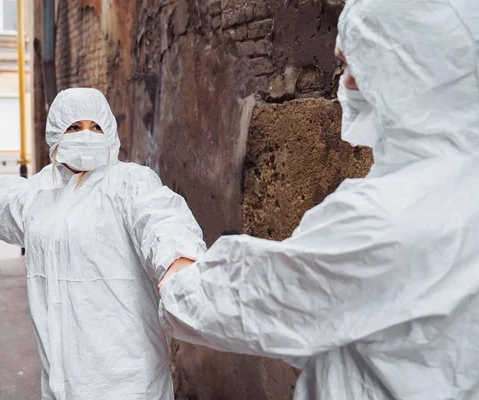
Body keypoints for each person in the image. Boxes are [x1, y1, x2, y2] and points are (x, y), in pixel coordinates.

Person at [158, 0, 479, 399]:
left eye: (352, 67)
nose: (341, 82)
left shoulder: (383, 218)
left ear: (406, 73)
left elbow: (254, 298)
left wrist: (176, 276)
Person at [0, 88, 205, 400]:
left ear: (109, 130)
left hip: (129, 380)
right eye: (74, 127)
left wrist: (179, 263)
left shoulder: (130, 183)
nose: (87, 135)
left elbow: (162, 218)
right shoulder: (38, 193)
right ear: (56, 132)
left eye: (96, 127)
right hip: (60, 381)